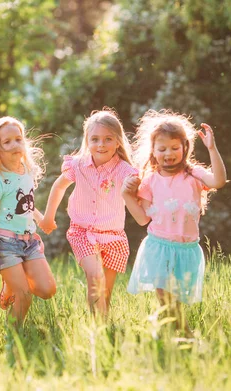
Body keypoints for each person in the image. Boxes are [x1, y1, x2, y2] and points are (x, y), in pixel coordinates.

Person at [122, 109, 226, 336]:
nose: (168, 153)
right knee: (164, 295)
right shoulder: (149, 181)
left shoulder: (194, 175)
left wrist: (211, 148)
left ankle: (167, 331)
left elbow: (218, 181)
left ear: (185, 148)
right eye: (162, 149)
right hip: (159, 246)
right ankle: (184, 334)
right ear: (153, 151)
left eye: (174, 148)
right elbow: (141, 219)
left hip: (186, 248)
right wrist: (127, 195)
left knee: (175, 298)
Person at [39, 109, 137, 317]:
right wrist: (48, 217)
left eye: (108, 139)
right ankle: (98, 329)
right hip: (82, 232)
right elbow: (58, 187)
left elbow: (140, 188)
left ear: (118, 142)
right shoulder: (78, 165)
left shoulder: (124, 170)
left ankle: (100, 327)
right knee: (95, 277)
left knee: (106, 292)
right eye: (95, 139)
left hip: (114, 235)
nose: (101, 145)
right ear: (87, 141)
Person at [0, 116, 56, 326]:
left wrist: (41, 219)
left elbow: (27, 204)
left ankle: (11, 284)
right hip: (6, 243)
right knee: (24, 296)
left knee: (47, 290)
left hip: (29, 242)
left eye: (18, 139)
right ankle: (13, 338)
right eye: (7, 142)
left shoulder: (27, 170)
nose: (14, 145)